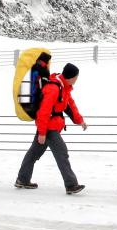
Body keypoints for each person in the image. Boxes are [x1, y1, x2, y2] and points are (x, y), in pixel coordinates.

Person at [15, 62, 87, 194]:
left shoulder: (63, 87)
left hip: (50, 127)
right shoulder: (54, 89)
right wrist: (42, 133)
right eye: (76, 77)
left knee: (33, 154)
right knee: (62, 153)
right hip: (49, 128)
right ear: (71, 77)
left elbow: (69, 104)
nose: (77, 79)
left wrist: (79, 120)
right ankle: (71, 184)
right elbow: (43, 112)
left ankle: (22, 179)